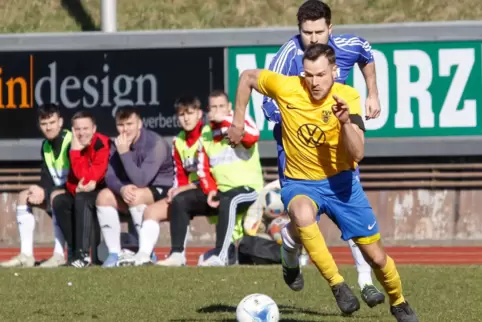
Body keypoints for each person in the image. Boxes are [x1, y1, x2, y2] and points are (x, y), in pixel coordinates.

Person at [226, 44, 418, 322]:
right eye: (309, 75)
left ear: (334, 71)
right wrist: (238, 122)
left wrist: (344, 123)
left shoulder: (348, 97)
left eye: (321, 75)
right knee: (302, 213)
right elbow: (247, 78)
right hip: (300, 181)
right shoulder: (287, 86)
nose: (314, 82)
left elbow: (358, 153)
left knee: (376, 257)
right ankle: (338, 285)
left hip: (342, 185)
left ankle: (399, 302)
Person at [262, 0, 384, 307]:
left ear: (330, 28)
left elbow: (365, 53)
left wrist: (372, 93)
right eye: (307, 32)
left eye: (319, 31)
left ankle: (366, 281)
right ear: (298, 31)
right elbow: (267, 103)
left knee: (350, 203)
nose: (313, 38)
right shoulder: (287, 56)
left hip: (335, 142)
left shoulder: (346, 45)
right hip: (296, 146)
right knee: (305, 219)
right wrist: (300, 115)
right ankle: (289, 251)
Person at [157, 90, 263, 267]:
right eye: (214, 107)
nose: (218, 110)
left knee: (230, 199)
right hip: (220, 190)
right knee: (180, 200)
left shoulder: (239, 121)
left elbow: (253, 136)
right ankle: (177, 254)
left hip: (249, 189)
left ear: (229, 107)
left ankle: (220, 257)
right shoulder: (206, 132)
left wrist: (226, 121)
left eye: (222, 106)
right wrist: (211, 189)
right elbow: (203, 169)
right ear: (208, 110)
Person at [116, 95, 209, 266]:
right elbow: (179, 172)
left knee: (180, 200)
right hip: (185, 191)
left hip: (208, 191)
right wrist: (177, 189)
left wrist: (184, 188)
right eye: (181, 114)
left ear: (200, 114)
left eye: (190, 113)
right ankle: (143, 256)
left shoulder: (208, 136)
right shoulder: (178, 140)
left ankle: (178, 254)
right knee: (151, 211)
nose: (186, 118)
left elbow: (213, 172)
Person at [95, 107, 174, 267]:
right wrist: (121, 188)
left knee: (136, 195)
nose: (125, 129)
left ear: (139, 124)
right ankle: (114, 254)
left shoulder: (155, 143)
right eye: (121, 125)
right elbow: (109, 176)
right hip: (131, 190)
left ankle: (147, 252)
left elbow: (142, 181)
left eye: (130, 124)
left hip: (161, 190)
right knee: (103, 196)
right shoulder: (117, 143)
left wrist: (124, 153)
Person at [0, 103, 71, 268]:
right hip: (57, 191)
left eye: (52, 122)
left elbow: (76, 176)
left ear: (60, 122)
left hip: (73, 193)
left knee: (55, 198)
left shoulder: (70, 141)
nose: (48, 127)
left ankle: (59, 255)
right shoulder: (46, 146)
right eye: (44, 124)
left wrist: (48, 191)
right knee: (24, 195)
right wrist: (38, 188)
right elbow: (46, 176)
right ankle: (26, 255)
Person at [52, 111, 110, 267]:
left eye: (86, 128)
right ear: (73, 130)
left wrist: (76, 153)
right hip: (81, 191)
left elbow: (92, 177)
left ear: (94, 128)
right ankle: (75, 251)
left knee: (82, 198)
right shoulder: (71, 147)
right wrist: (75, 188)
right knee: (59, 201)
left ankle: (83, 256)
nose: (81, 133)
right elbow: (71, 179)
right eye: (77, 129)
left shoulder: (102, 144)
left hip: (104, 191)